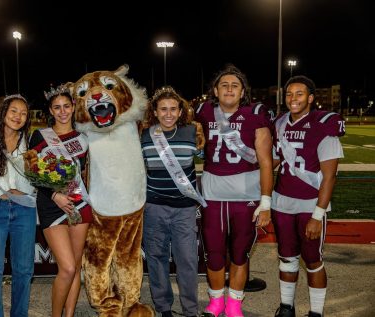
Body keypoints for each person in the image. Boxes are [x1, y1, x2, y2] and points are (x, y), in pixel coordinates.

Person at [195, 64, 273, 317]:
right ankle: (216, 301)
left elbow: (266, 162)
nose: (229, 89)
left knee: (240, 253)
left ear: (242, 92)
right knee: (214, 253)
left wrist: (266, 202)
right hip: (213, 193)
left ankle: (235, 304)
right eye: (224, 85)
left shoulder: (255, 115)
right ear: (215, 91)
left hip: (246, 195)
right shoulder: (203, 112)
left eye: (235, 85)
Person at [272, 76, 345, 317]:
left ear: (311, 98)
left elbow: (329, 177)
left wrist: (317, 214)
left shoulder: (324, 124)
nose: (293, 98)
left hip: (309, 204)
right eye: (289, 94)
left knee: (312, 260)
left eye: (300, 94)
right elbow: (273, 160)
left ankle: (316, 312)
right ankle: (286, 307)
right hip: (282, 202)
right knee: (286, 257)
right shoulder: (279, 123)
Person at [28, 84, 92, 317]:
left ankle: (70, 314)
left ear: (73, 107)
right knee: (66, 268)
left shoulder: (84, 139)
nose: (63, 111)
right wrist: (54, 195)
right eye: (57, 107)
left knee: (75, 268)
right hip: (51, 206)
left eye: (66, 106)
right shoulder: (40, 136)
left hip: (80, 205)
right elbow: (31, 172)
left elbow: (84, 173)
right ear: (51, 110)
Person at [141, 86, 205, 317]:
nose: (168, 114)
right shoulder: (145, 135)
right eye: (163, 109)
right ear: (155, 112)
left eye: (173, 109)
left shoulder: (192, 133)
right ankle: (164, 308)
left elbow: (206, 159)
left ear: (180, 111)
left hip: (184, 210)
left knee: (187, 261)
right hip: (154, 207)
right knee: (157, 260)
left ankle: (190, 310)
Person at [0, 94, 36, 317]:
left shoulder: (31, 142)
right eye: (14, 111)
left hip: (25, 210)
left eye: (23, 113)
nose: (18, 116)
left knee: (23, 270)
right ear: (3, 112)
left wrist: (29, 190)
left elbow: (43, 176)